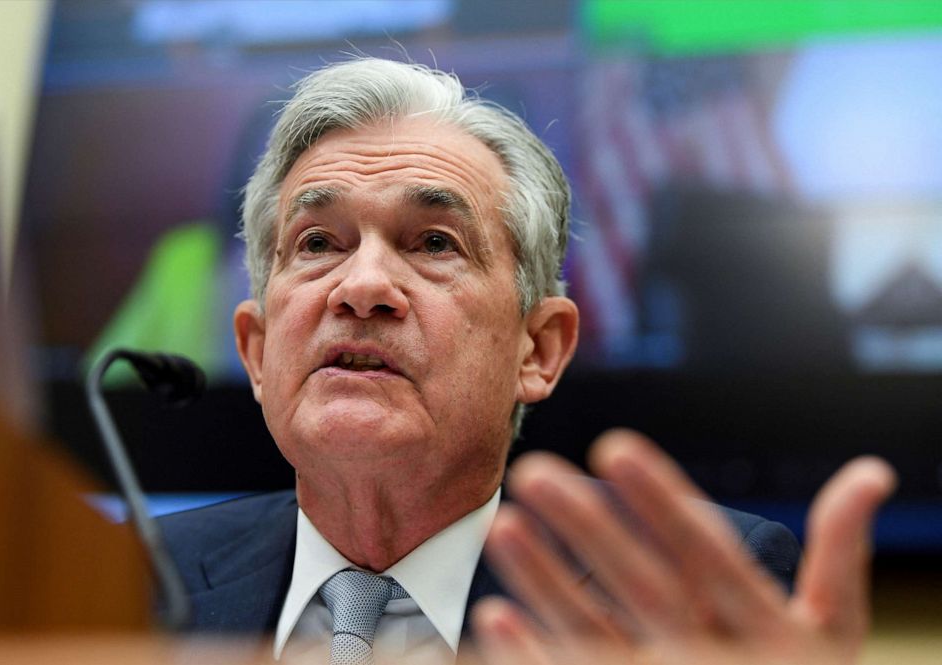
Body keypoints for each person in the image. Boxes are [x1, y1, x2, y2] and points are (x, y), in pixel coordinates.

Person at [159, 58, 892, 664]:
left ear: (537, 349)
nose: (362, 287)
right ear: (255, 349)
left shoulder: (681, 600)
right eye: (318, 242)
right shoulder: (134, 577)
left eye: (434, 242)